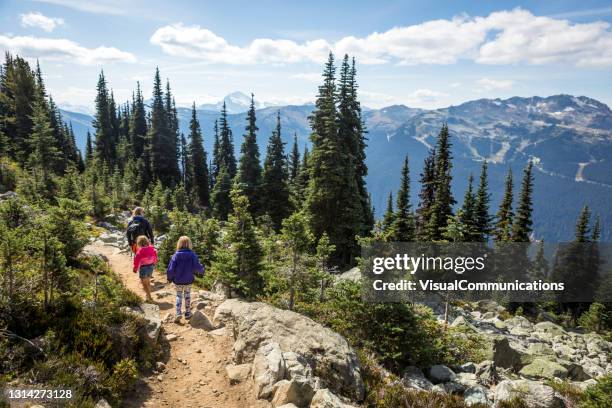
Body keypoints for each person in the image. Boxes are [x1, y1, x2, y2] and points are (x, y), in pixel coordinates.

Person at [166, 236, 204, 323]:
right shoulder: (193, 255)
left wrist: (169, 278)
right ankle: (187, 313)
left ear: (179, 244)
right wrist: (202, 270)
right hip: (188, 279)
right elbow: (197, 267)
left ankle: (178, 313)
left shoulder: (175, 255)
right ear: (189, 244)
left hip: (178, 280)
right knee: (187, 295)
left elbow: (170, 269)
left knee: (179, 295)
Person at [132, 235, 158, 302]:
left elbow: (136, 262)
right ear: (147, 241)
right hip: (151, 267)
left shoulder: (139, 252)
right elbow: (155, 257)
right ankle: (148, 295)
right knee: (148, 281)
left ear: (139, 243)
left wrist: (135, 269)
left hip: (143, 268)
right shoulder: (152, 249)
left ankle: (149, 296)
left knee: (144, 283)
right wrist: (154, 264)